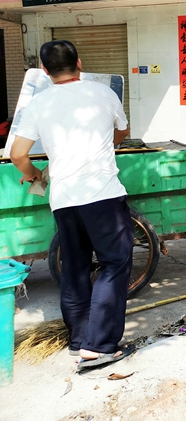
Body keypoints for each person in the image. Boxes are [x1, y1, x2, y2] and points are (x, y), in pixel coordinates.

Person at [10, 40, 134, 370]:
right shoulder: (103, 93)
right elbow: (123, 131)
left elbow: (18, 154)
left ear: (45, 70)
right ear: (79, 63)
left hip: (63, 201)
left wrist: (35, 175)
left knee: (76, 267)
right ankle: (99, 346)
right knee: (115, 263)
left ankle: (79, 339)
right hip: (102, 196)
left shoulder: (38, 104)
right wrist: (102, 141)